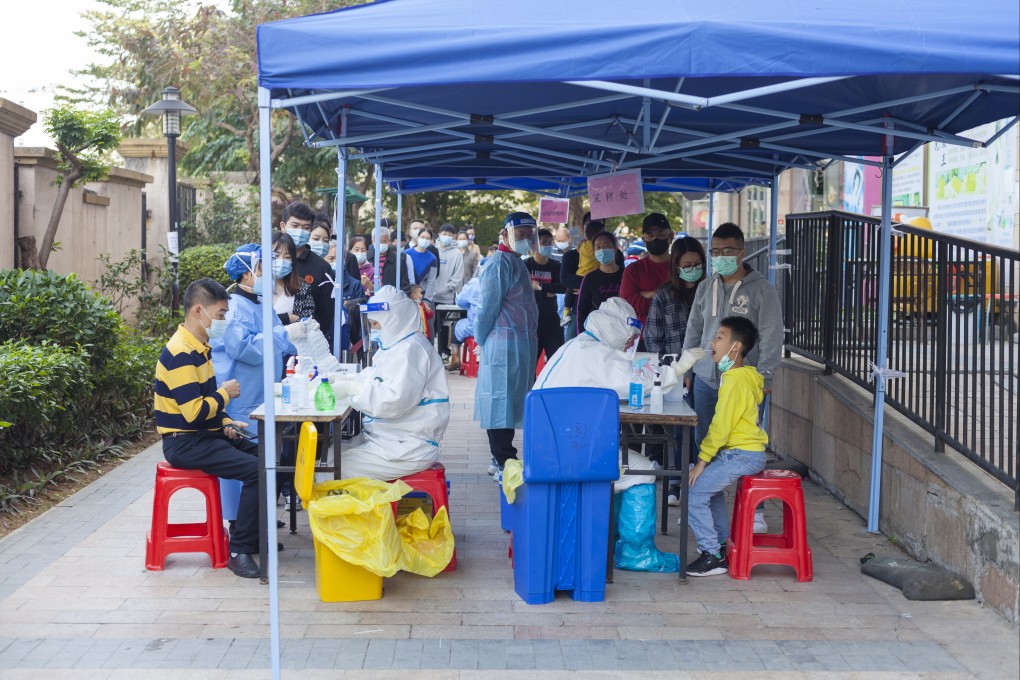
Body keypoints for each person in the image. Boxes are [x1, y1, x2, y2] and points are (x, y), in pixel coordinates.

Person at [154, 278, 260, 578]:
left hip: (203, 435)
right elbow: (192, 413)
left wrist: (226, 422)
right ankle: (239, 550)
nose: (224, 321)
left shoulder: (199, 347)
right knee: (256, 470)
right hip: (184, 443)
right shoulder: (180, 354)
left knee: (267, 460)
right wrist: (225, 394)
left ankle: (249, 536)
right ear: (199, 311)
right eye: (222, 314)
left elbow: (206, 408)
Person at [682, 222, 783, 534]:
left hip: (743, 382)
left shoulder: (761, 289)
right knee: (704, 445)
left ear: (742, 252)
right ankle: (706, 509)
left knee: (743, 445)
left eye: (727, 252)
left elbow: (771, 334)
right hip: (705, 380)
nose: (720, 257)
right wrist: (687, 367)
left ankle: (755, 511)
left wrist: (765, 375)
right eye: (715, 252)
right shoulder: (706, 285)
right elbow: (694, 329)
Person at [330, 286, 450, 480]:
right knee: (329, 456)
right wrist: (349, 380)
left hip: (407, 447)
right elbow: (376, 377)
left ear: (393, 320)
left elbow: (393, 400)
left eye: (376, 324)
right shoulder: (396, 345)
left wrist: (352, 389)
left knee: (331, 470)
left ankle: (359, 510)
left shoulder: (410, 350)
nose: (374, 330)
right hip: (392, 438)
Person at [685, 316, 768, 577]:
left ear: (736, 347)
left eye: (719, 337)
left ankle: (712, 555)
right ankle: (721, 543)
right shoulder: (743, 376)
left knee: (694, 492)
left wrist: (702, 460)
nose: (712, 342)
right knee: (710, 489)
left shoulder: (734, 380)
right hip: (743, 453)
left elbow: (720, 426)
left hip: (742, 455)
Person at [474, 212, 539, 476]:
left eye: (527, 235)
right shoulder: (498, 262)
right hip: (502, 343)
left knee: (509, 401)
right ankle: (503, 458)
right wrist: (481, 339)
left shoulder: (516, 261)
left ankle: (500, 456)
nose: (524, 240)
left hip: (518, 343)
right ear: (505, 235)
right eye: (519, 235)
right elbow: (487, 307)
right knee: (499, 400)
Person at [645, 236, 707, 504]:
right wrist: (673, 373)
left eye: (697, 264)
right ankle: (674, 483)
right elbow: (652, 338)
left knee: (702, 432)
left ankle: (698, 484)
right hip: (675, 375)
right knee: (675, 433)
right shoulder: (664, 295)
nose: (693, 269)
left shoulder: (710, 291)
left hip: (706, 373)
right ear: (676, 266)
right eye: (687, 265)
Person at [280, 201, 335, 348]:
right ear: (283, 226)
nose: (300, 231)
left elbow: (325, 314)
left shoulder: (322, 268)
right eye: (295, 226)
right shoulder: (267, 261)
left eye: (305, 227)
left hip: (306, 345)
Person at [620, 212, 675, 328]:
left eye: (661, 233)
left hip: (678, 336)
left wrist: (648, 295)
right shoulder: (632, 270)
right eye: (650, 235)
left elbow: (688, 299)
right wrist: (668, 299)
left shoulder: (682, 267)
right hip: (642, 338)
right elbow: (629, 304)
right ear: (644, 239)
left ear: (671, 236)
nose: (655, 238)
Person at [525, 228, 565, 366]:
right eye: (543, 242)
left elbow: (563, 288)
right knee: (530, 364)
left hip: (552, 320)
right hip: (531, 321)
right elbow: (523, 290)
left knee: (556, 363)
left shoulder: (556, 266)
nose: (547, 245)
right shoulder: (526, 265)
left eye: (549, 242)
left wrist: (539, 286)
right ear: (534, 245)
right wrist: (546, 292)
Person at [575, 231, 624, 334]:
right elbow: (582, 310)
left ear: (615, 249)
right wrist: (582, 336)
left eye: (606, 246)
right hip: (596, 334)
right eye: (598, 247)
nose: (602, 250)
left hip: (623, 332)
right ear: (594, 252)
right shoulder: (590, 278)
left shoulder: (626, 275)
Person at [433, 224, 466, 363]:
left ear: (453, 236)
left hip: (447, 298)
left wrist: (448, 288)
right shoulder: (433, 251)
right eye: (444, 233)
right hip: (431, 297)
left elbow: (458, 276)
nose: (446, 236)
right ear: (439, 234)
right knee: (432, 327)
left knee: (445, 327)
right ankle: (432, 355)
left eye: (449, 234)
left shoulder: (457, 254)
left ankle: (445, 353)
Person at [270, 231, 301, 326]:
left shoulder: (301, 288)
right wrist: (287, 318)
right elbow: (256, 321)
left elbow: (306, 322)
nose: (281, 261)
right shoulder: (254, 287)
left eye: (287, 257)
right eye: (276, 255)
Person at [369, 224, 412, 292]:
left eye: (384, 241)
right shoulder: (368, 259)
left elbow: (405, 285)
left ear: (389, 241)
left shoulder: (399, 260)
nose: (381, 244)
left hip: (392, 299)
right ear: (373, 241)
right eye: (378, 241)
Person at [406, 226, 439, 299]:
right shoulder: (406, 254)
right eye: (422, 237)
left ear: (431, 241)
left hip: (422, 295)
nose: (425, 240)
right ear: (418, 238)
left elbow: (431, 281)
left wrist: (427, 300)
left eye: (428, 238)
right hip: (407, 294)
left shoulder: (432, 258)